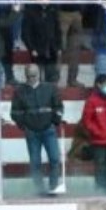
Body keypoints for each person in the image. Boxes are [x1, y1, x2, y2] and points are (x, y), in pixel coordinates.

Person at [10, 64, 64, 195]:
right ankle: (39, 189)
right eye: (29, 76)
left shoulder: (50, 88)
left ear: (38, 74)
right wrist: (25, 125)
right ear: (25, 75)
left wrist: (54, 121)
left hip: (48, 129)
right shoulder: (19, 91)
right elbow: (15, 112)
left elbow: (59, 107)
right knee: (35, 162)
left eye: (33, 75)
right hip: (32, 131)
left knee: (55, 159)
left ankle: (53, 187)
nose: (31, 78)